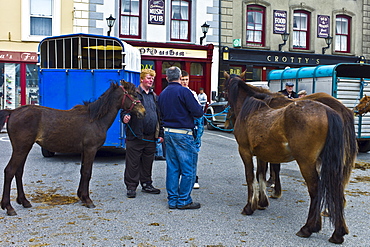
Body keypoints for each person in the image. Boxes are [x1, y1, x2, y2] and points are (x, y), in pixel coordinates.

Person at [158, 66, 204, 209]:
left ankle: (172, 200)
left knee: (172, 167)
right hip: (183, 133)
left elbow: (160, 114)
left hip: (168, 132)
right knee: (188, 168)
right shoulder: (184, 91)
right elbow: (198, 112)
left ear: (167, 78)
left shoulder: (163, 93)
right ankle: (184, 200)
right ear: (179, 77)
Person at [122, 69, 164, 198]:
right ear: (141, 79)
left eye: (152, 78)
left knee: (147, 162)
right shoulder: (134, 94)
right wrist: (125, 117)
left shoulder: (154, 96)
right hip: (135, 135)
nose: (151, 80)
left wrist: (160, 133)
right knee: (132, 163)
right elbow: (124, 111)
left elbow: (159, 115)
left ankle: (147, 184)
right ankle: (131, 187)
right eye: (148, 78)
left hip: (150, 136)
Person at [180, 70, 202, 190]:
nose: (184, 82)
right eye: (182, 79)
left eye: (186, 80)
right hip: (182, 127)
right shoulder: (178, 92)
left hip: (192, 128)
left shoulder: (192, 93)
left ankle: (194, 177)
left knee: (192, 153)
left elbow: (198, 111)